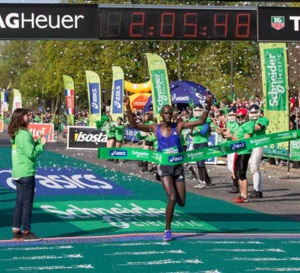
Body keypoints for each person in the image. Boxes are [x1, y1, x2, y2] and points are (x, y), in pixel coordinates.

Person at [123, 95, 212, 241]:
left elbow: (201, 121)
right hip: (164, 168)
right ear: (161, 115)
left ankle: (171, 188)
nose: (168, 115)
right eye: (165, 113)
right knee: (171, 198)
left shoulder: (179, 126)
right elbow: (134, 125)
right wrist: (128, 108)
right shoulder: (155, 127)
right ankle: (167, 230)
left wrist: (207, 106)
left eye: (170, 113)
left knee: (181, 202)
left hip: (177, 168)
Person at [8, 108, 47, 241]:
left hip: (18, 172)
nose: (29, 117)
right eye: (26, 115)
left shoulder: (16, 132)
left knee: (19, 202)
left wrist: (37, 142)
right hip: (26, 172)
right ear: (21, 118)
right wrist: (41, 145)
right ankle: (26, 231)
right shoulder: (24, 134)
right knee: (27, 203)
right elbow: (31, 154)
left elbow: (26, 149)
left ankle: (16, 229)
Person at [223, 108, 254, 203]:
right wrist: (227, 135)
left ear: (246, 116)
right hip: (238, 151)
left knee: (242, 173)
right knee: (238, 174)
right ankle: (242, 193)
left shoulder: (248, 125)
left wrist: (232, 137)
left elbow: (245, 141)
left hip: (245, 151)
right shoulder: (238, 126)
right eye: (239, 117)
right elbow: (235, 138)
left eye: (242, 117)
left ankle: (245, 196)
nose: (240, 118)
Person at [189, 104, 213, 189]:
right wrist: (190, 130)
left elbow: (203, 132)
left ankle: (203, 182)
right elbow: (190, 132)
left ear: (202, 111)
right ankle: (205, 180)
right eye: (196, 110)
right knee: (198, 163)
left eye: (199, 110)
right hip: (195, 143)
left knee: (201, 163)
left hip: (203, 142)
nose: (197, 112)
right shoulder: (192, 119)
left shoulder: (206, 119)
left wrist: (194, 127)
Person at [248, 104, 269, 198]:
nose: (253, 114)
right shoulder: (248, 122)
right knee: (254, 168)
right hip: (250, 146)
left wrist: (246, 126)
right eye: (252, 112)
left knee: (254, 167)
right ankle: (259, 191)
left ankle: (256, 189)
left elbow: (257, 128)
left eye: (255, 112)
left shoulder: (263, 120)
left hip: (258, 145)